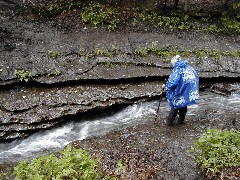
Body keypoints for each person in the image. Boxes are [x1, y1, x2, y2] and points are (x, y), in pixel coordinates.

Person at [164, 55, 199, 126]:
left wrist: (166, 86)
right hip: (189, 87)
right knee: (183, 102)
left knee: (175, 104)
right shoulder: (188, 67)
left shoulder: (178, 69)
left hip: (182, 87)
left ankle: (169, 122)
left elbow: (173, 82)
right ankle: (181, 120)